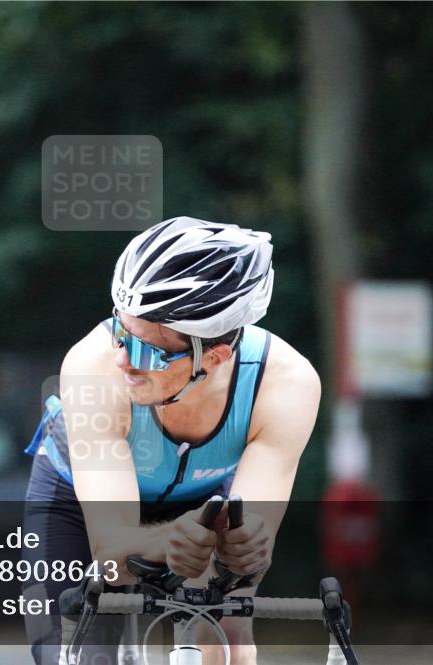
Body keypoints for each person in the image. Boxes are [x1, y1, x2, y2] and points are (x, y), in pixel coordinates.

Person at [22, 216, 321, 665]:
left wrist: (242, 551)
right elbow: (110, 554)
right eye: (120, 331)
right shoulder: (93, 366)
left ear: (215, 357)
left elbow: (245, 561)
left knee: (227, 641)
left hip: (201, 507)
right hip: (75, 504)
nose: (122, 359)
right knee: (77, 654)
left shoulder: (285, 383)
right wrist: (165, 543)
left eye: (145, 348)